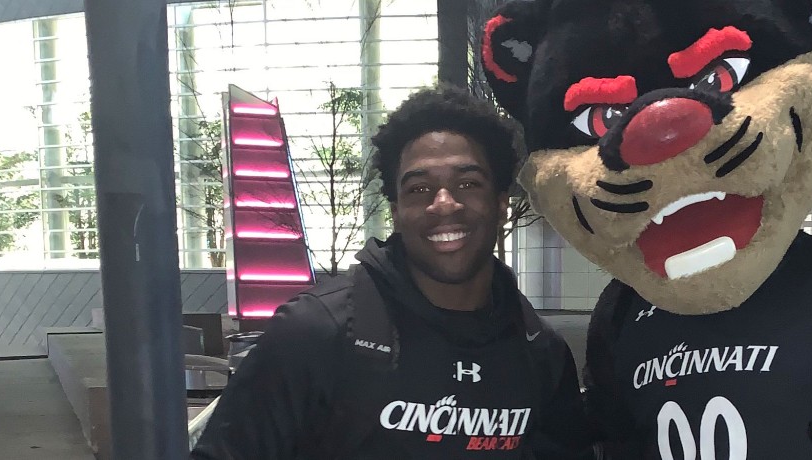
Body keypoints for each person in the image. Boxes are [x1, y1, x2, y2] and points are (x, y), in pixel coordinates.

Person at [191, 85, 591, 459]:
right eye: (419, 189)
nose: (444, 204)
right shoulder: (314, 332)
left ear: (502, 202)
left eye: (468, 183)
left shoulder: (540, 352)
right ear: (397, 211)